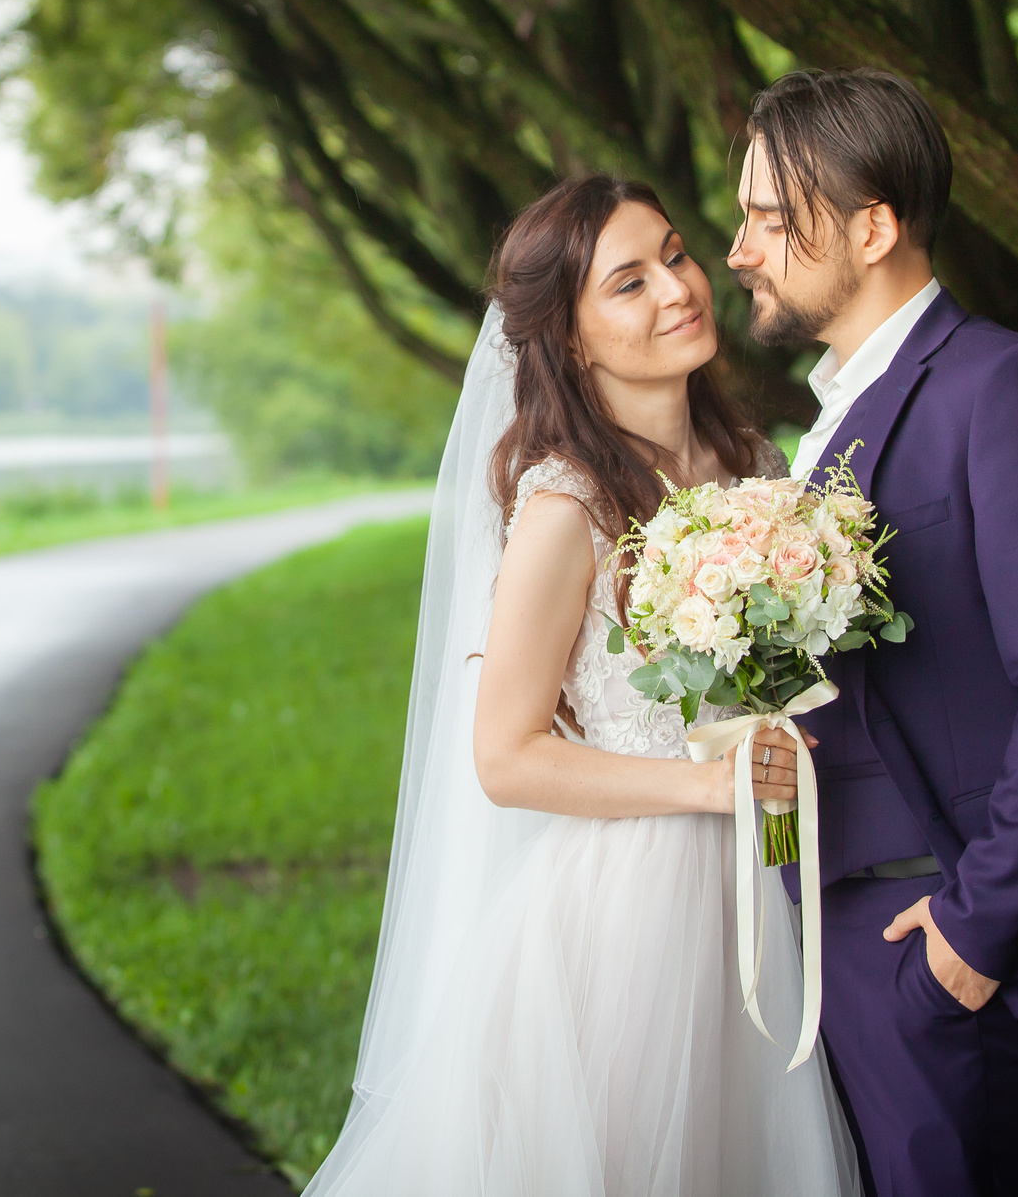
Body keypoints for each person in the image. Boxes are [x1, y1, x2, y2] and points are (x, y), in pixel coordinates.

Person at [305, 175, 859, 1197]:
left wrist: (778, 813)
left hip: (753, 893)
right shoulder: (565, 505)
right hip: (632, 912)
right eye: (629, 282)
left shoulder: (752, 467)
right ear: (569, 339)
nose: (677, 290)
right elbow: (505, 758)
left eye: (678, 255)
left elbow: (766, 700)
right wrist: (705, 787)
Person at [725, 68, 1018, 1197]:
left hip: (924, 935)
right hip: (827, 926)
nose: (739, 249)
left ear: (872, 227)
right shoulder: (828, 420)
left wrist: (972, 938)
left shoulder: (1004, 389)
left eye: (768, 219)